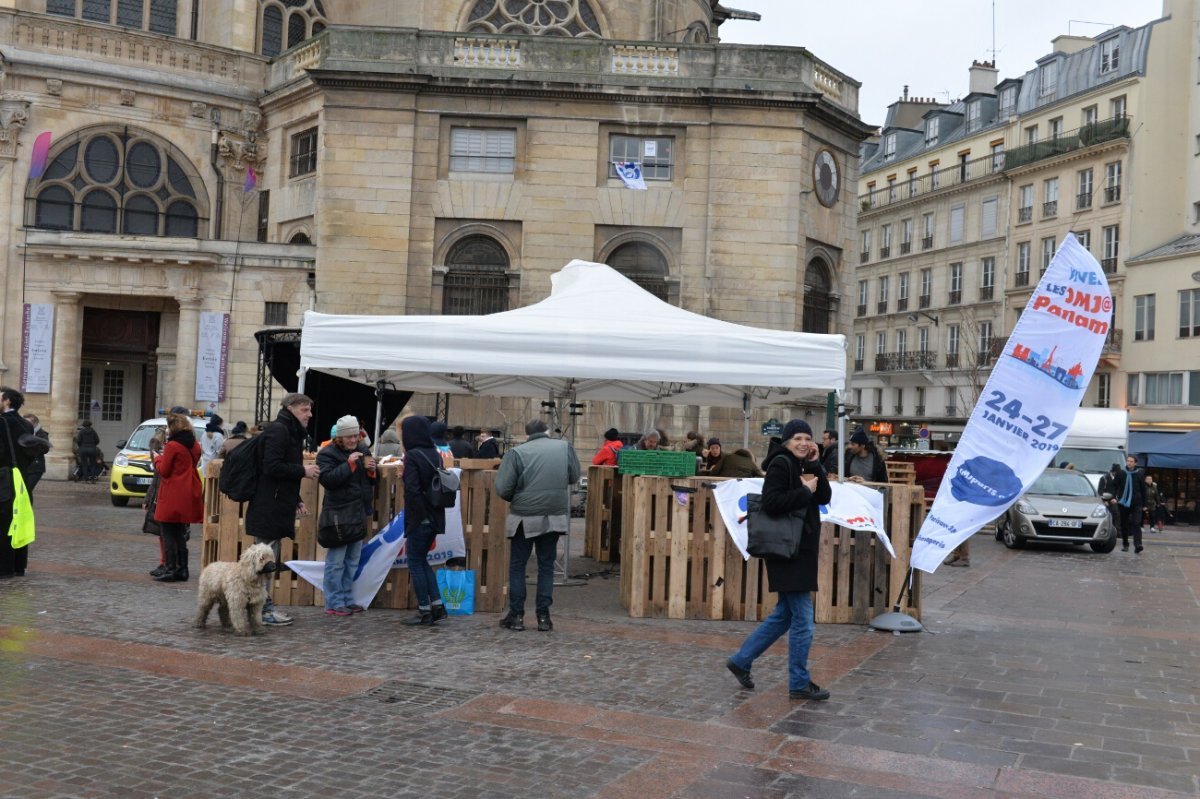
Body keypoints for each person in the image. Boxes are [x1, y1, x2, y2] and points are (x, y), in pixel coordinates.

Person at [726, 419, 832, 702]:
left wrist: (815, 466)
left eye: (807, 438)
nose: (803, 443)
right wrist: (804, 491)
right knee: (803, 620)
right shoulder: (780, 464)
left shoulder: (801, 464)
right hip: (787, 551)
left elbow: (824, 495)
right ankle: (799, 682)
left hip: (798, 549)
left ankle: (741, 660)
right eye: (797, 437)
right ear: (786, 441)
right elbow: (771, 502)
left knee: (784, 615)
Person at [495, 419, 581, 632]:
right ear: (547, 432)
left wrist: (517, 496)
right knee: (546, 566)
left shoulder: (517, 453)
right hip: (553, 514)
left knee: (518, 566)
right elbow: (573, 476)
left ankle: (516, 616)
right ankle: (544, 617)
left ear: (527, 434)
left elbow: (503, 488)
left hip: (524, 515)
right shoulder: (564, 447)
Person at [245, 393, 320, 626]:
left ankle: (263, 609)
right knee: (264, 561)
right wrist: (303, 472)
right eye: (305, 410)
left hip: (276, 504)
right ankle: (262, 611)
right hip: (269, 507)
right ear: (290, 408)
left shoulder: (290, 431)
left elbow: (280, 475)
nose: (309, 414)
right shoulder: (280, 431)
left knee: (268, 558)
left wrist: (296, 498)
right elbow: (272, 466)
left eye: (309, 410)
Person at [317, 415, 377, 616]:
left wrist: (371, 472)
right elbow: (328, 480)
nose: (353, 440)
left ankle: (347, 599)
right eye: (349, 437)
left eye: (355, 436)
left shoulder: (363, 449)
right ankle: (333, 602)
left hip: (358, 511)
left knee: (352, 560)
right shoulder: (327, 454)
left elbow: (368, 482)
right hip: (339, 513)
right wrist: (349, 465)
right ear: (339, 438)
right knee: (336, 561)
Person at [400, 415, 448, 626]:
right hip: (436, 515)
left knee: (415, 562)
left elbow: (412, 489)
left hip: (421, 517)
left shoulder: (412, 455)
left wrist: (418, 517)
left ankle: (424, 610)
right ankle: (437, 605)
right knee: (422, 560)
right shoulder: (434, 453)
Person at [153, 412, 203, 582]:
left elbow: (164, 471)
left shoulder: (173, 446)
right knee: (180, 534)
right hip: (187, 493)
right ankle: (183, 569)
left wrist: (157, 459)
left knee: (167, 533)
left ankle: (170, 569)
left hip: (172, 492)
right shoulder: (195, 445)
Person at [0, 387, 36, 578]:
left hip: (4, 480)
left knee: (4, 523)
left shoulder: (2, 422)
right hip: (22, 479)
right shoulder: (26, 424)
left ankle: (4, 568)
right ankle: (18, 566)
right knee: (20, 521)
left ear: (6, 402)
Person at [1113, 455, 1146, 553]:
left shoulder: (1139, 474)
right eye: (1128, 461)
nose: (1129, 463)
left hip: (1136, 503)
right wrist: (1113, 497)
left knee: (1136, 523)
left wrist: (1145, 504)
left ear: (1135, 463)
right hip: (1123, 503)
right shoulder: (1121, 473)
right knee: (1124, 524)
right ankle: (1125, 544)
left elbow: (1143, 489)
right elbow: (1114, 486)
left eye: (1131, 461)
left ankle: (1138, 544)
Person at [21, 413, 50, 495]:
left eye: (27, 422)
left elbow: (45, 448)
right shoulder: (25, 432)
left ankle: (26, 507)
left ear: (35, 423)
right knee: (23, 491)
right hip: (24, 466)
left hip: (36, 467)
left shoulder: (42, 434)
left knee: (27, 490)